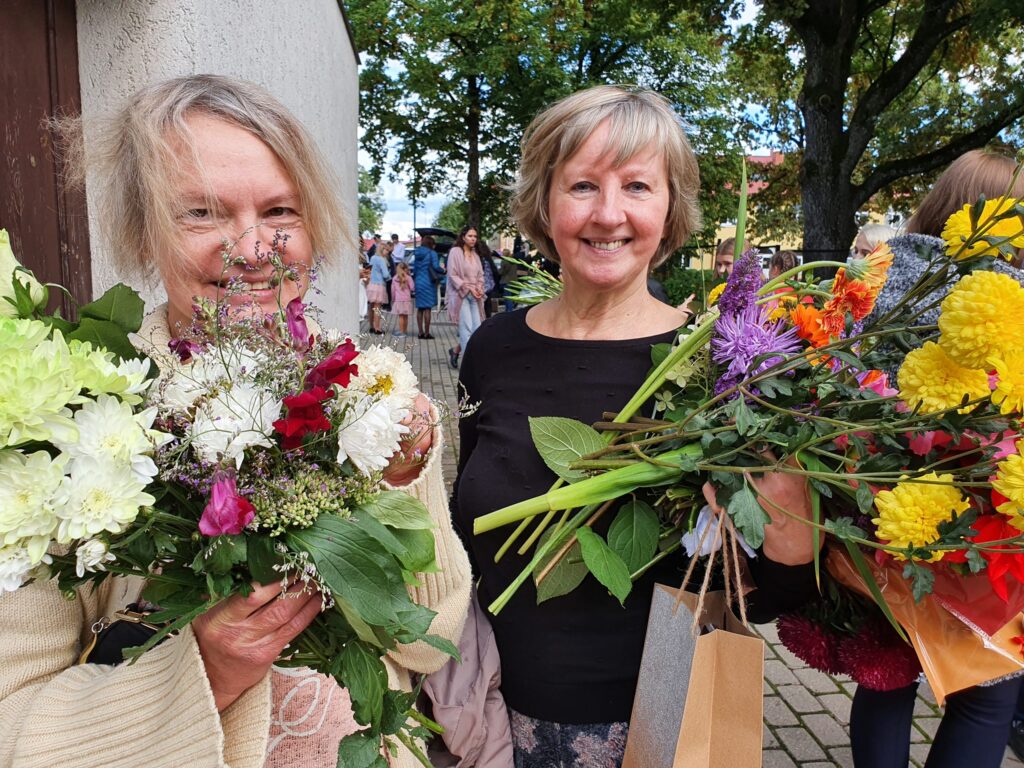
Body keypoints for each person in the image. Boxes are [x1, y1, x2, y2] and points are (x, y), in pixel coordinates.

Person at [0, 74, 471, 768]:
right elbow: (13, 725)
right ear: (143, 230)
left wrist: (404, 479)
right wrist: (202, 677)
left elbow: (428, 639)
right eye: (203, 214)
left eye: (281, 210)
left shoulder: (361, 388)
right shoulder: (72, 423)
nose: (253, 249)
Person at [451, 85, 819, 767]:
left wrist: (793, 517)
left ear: (671, 208)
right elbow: (463, 527)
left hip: (659, 728)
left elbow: (769, 600)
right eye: (583, 185)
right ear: (544, 201)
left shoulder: (720, 374)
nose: (609, 213)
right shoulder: (492, 350)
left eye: (638, 186)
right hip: (488, 713)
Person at [854, 147, 1024, 768]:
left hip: (879, 512)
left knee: (886, 677)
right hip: (986, 532)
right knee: (985, 699)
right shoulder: (1013, 297)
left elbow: (847, 378)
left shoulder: (886, 270)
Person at [446, 225, 485, 369]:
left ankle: (455, 351)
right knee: (466, 329)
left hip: (475, 296)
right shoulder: (455, 252)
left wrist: (480, 288)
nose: (473, 239)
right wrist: (468, 287)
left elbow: (480, 275)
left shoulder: (475, 254)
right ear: (463, 237)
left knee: (478, 331)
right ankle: (470, 365)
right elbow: (452, 274)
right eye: (470, 236)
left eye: (475, 236)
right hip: (460, 295)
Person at [412, 235, 442, 338]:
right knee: (427, 309)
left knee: (420, 308)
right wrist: (443, 270)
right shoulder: (432, 253)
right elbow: (436, 267)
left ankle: (420, 332)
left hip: (419, 282)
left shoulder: (417, 253)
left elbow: (415, 269)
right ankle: (427, 333)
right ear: (431, 244)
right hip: (428, 282)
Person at [366, 239, 390, 334]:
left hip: (371, 284)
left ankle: (371, 326)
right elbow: (385, 274)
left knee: (371, 307)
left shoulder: (372, 258)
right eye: (386, 250)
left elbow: (370, 270)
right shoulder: (382, 260)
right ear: (382, 249)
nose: (388, 252)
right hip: (379, 285)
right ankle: (378, 328)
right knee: (377, 308)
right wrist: (389, 276)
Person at [391, 260, 413, 337]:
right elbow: (413, 288)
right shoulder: (409, 278)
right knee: (405, 316)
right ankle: (404, 331)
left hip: (398, 299)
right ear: (406, 269)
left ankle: (401, 331)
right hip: (407, 299)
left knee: (401, 316)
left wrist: (393, 299)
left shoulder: (394, 278)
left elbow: (393, 290)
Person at [497, 247, 518, 312]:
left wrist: (497, 270)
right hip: (513, 281)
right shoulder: (513, 261)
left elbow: (502, 272)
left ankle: (508, 311)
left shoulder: (504, 261)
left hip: (506, 281)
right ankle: (509, 310)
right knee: (510, 297)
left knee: (507, 297)